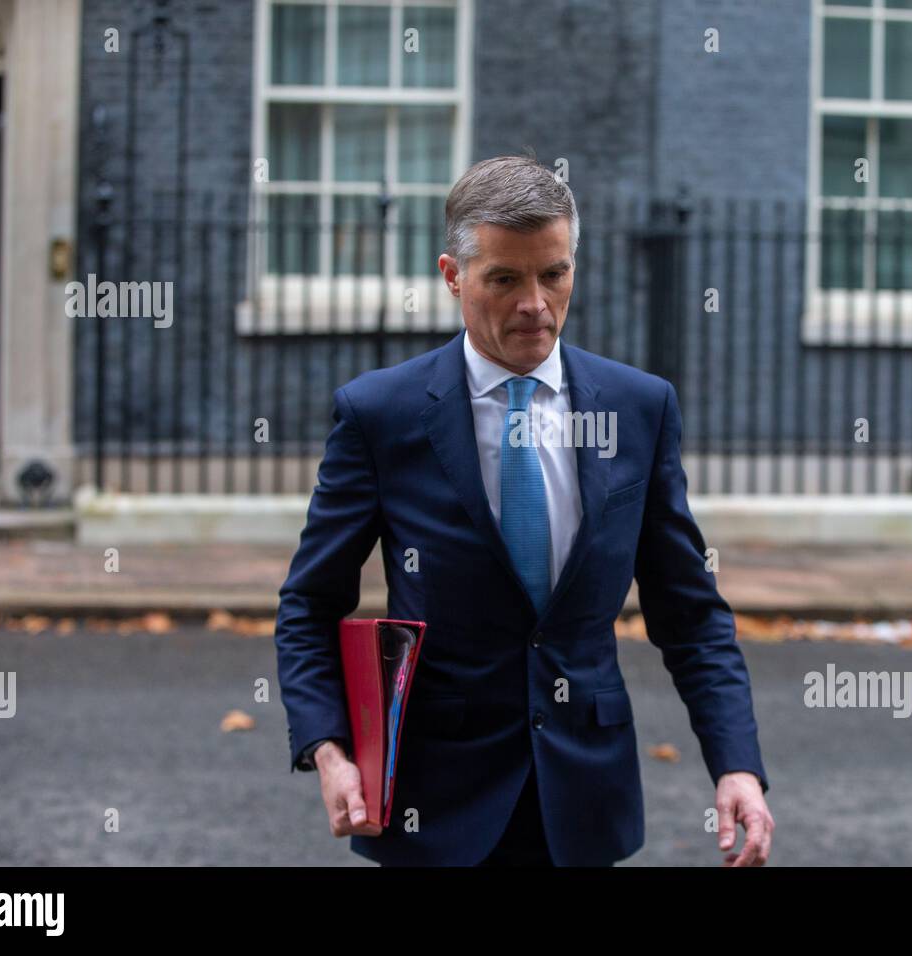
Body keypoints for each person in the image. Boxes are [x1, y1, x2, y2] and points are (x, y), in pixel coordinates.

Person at [273, 154, 773, 867]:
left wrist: (737, 766)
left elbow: (689, 610)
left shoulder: (639, 407)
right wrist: (330, 750)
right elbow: (309, 602)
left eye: (554, 274)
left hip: (584, 799)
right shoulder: (379, 415)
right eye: (505, 279)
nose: (535, 303)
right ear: (453, 276)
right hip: (434, 805)